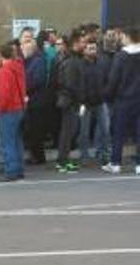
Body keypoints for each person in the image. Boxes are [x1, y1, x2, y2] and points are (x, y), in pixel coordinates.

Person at [102, 26, 140, 175]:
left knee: (119, 132)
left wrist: (107, 95)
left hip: (124, 99)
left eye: (123, 36)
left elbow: (114, 79)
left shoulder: (121, 56)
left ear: (129, 37)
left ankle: (116, 163)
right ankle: (139, 164)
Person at [55, 31, 87, 173]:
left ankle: (64, 160)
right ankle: (62, 162)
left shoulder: (74, 59)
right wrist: (80, 100)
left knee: (69, 133)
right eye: (82, 42)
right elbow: (70, 84)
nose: (84, 44)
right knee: (67, 133)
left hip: (71, 101)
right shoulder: (71, 62)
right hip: (69, 102)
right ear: (74, 44)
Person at [0, 44, 27, 182]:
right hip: (19, 107)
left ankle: (11, 170)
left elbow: (4, 93)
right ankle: (19, 168)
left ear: (2, 56)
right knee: (17, 140)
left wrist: (0, 108)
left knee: (8, 141)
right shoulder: (18, 67)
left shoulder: (4, 70)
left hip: (9, 109)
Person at [78, 40, 111, 165]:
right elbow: (79, 84)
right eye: (90, 48)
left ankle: (104, 154)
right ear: (84, 50)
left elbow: (106, 79)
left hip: (100, 101)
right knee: (84, 132)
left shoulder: (101, 63)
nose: (93, 51)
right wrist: (82, 100)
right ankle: (84, 156)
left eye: (94, 48)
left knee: (105, 130)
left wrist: (105, 93)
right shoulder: (80, 64)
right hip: (85, 103)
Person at [23, 40, 48, 165]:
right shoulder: (30, 62)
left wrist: (24, 88)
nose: (23, 51)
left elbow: (38, 79)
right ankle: (35, 155)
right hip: (32, 100)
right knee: (32, 130)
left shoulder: (38, 61)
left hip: (37, 101)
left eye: (25, 49)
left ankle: (38, 157)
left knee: (36, 130)